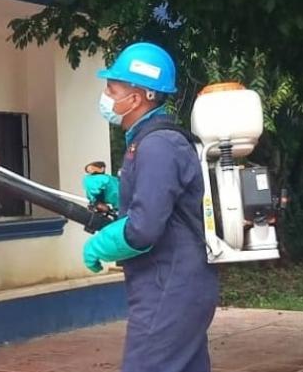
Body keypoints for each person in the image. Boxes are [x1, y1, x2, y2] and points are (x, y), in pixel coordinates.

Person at [81, 43, 217, 372]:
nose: (106, 96)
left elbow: (143, 228)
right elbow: (157, 199)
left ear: (137, 98)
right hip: (177, 284)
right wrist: (115, 189)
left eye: (112, 89)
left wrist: (100, 244)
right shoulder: (150, 140)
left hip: (169, 287)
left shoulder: (157, 145)